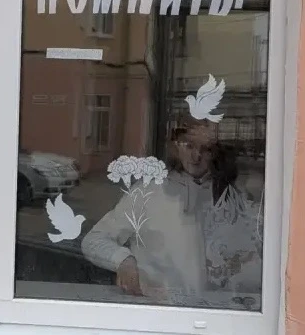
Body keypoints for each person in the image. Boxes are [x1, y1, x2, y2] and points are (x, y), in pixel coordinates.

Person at [81, 120, 262, 306]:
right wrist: (122, 260)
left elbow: (253, 259)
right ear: (176, 147)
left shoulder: (228, 197)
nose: (196, 156)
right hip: (159, 310)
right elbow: (94, 240)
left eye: (206, 149)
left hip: (214, 313)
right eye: (189, 146)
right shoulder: (147, 192)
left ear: (215, 154)